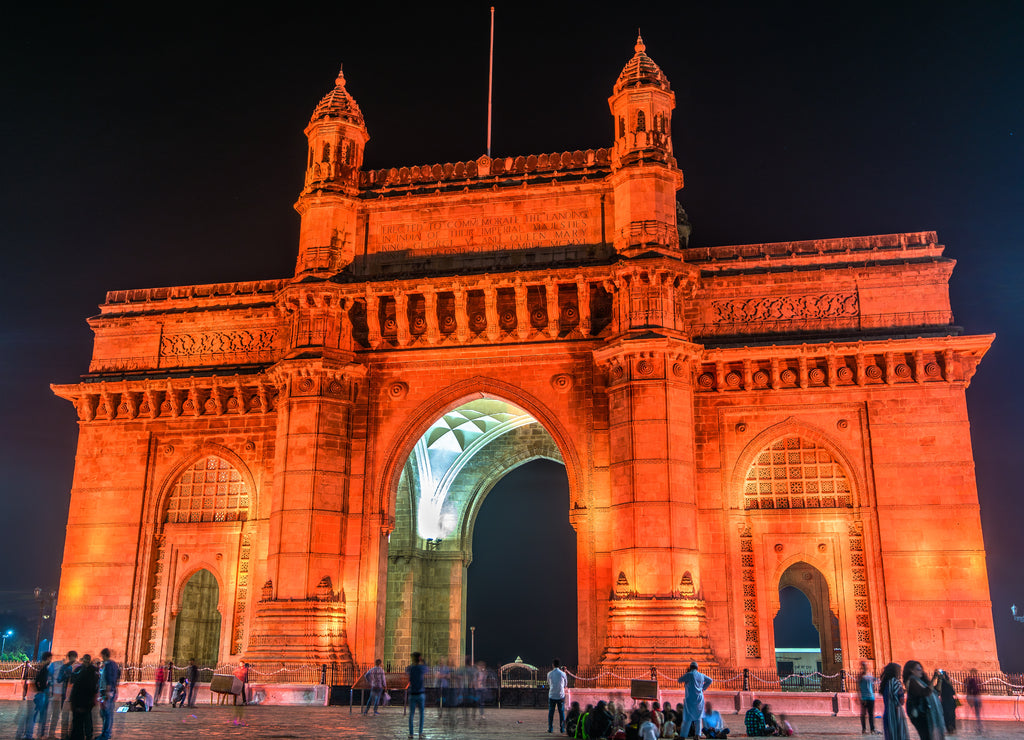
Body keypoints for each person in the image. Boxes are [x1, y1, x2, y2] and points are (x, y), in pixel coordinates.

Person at [903, 661, 943, 740]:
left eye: (921, 669)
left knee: (929, 735)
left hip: (925, 712)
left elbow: (936, 692)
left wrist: (940, 680)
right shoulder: (912, 681)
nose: (921, 671)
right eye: (918, 669)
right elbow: (926, 692)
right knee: (926, 736)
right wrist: (934, 678)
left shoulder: (921, 681)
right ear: (911, 670)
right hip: (918, 713)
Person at [678, 660, 713, 738]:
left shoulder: (689, 674)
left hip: (690, 698)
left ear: (690, 668)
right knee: (698, 717)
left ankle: (683, 735)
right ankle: (698, 734)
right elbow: (710, 680)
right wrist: (703, 688)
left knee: (688, 717)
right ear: (697, 668)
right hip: (699, 698)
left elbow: (679, 680)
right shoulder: (701, 675)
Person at [68, 654, 98, 740]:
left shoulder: (88, 671)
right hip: (83, 699)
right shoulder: (82, 670)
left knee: (83, 719)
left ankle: (85, 735)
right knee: (83, 718)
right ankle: (86, 735)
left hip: (83, 699)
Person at [24, 651, 52, 739]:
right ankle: (34, 734)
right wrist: (44, 688)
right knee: (40, 715)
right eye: (50, 658)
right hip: (43, 693)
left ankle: (32, 734)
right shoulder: (45, 669)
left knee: (36, 715)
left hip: (41, 693)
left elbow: (37, 681)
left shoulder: (42, 668)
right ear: (48, 658)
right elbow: (41, 681)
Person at [880, 663, 909, 740]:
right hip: (896, 714)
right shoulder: (896, 682)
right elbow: (901, 701)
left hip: (887, 714)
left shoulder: (885, 683)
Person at [97, 647, 120, 740]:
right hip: (110, 691)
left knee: (106, 713)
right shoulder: (114, 665)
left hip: (107, 691)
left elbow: (109, 678)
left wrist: (107, 690)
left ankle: (105, 734)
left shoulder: (108, 664)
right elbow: (117, 677)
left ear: (104, 655)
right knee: (106, 713)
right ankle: (106, 732)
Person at [406, 651, 427, 738]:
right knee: (421, 714)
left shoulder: (410, 668)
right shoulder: (421, 668)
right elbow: (426, 667)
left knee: (411, 714)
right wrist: (422, 661)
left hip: (412, 693)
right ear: (419, 658)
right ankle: (420, 733)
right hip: (420, 693)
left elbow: (407, 670)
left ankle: (411, 733)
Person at [548, 658, 568, 733]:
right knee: (561, 712)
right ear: (559, 665)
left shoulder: (549, 673)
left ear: (553, 665)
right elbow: (565, 684)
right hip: (560, 695)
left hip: (552, 695)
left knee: (551, 712)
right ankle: (562, 728)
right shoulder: (563, 674)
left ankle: (550, 728)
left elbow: (549, 683)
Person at [859, 661, 880, 735]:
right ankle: (871, 729)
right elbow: (877, 680)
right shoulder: (867, 676)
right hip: (869, 697)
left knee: (864, 714)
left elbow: (859, 688)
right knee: (869, 714)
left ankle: (865, 729)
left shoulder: (861, 677)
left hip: (866, 698)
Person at [963, 668, 982, 733]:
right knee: (976, 713)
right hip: (974, 697)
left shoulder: (970, 680)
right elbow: (980, 689)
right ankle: (978, 726)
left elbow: (966, 688)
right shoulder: (976, 680)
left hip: (971, 697)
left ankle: (968, 726)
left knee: (969, 712)